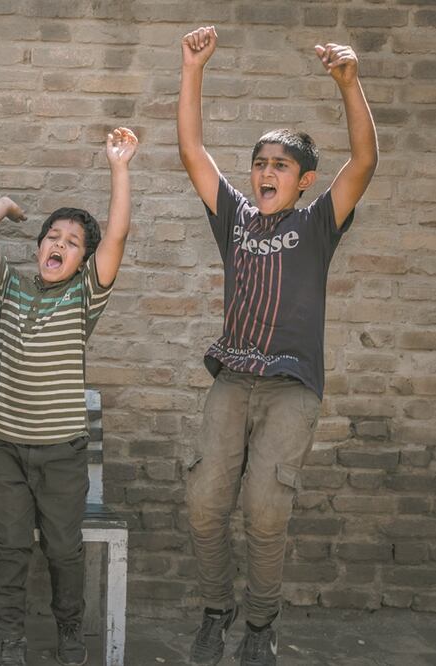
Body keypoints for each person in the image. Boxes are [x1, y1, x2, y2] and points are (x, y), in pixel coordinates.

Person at [178, 26, 378, 666]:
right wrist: (192, 70)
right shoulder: (234, 217)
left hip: (292, 387)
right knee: (206, 501)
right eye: (260, 163)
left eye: (280, 165)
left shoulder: (317, 223)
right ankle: (217, 611)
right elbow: (192, 149)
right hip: (233, 378)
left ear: (304, 179)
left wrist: (350, 84)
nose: (266, 172)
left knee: (266, 510)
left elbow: (365, 162)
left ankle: (259, 627)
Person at [0, 129, 137, 666]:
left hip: (61, 453)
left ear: (84, 261)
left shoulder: (85, 296)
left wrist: (119, 167)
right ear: (38, 246)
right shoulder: (9, 290)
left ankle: (69, 632)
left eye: (71, 242)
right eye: (51, 237)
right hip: (6, 450)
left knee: (63, 549)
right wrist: (4, 207)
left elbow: (116, 239)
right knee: (11, 550)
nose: (58, 245)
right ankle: (8, 642)